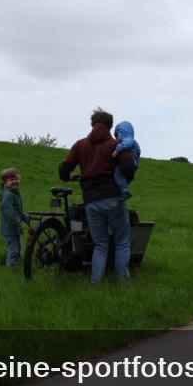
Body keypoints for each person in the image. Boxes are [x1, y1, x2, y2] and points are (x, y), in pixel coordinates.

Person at [59, 109, 137, 284]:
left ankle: (95, 283)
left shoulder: (79, 145)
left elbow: (63, 171)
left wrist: (72, 177)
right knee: (122, 242)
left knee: (100, 245)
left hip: (91, 202)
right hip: (113, 199)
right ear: (110, 126)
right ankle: (122, 282)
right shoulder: (116, 144)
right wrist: (126, 182)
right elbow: (128, 168)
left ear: (92, 124)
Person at [0, 167, 29, 265]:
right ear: (5, 183)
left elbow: (18, 211)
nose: (15, 181)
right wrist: (18, 223)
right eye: (11, 180)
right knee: (13, 251)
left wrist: (28, 218)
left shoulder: (14, 193)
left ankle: (16, 265)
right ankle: (10, 268)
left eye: (16, 179)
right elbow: (9, 212)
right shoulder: (8, 195)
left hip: (13, 227)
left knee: (17, 249)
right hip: (9, 228)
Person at [111, 120, 140, 200]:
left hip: (130, 161)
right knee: (124, 177)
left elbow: (126, 144)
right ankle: (124, 188)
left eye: (117, 136)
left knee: (117, 174)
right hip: (134, 162)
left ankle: (124, 191)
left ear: (120, 133)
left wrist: (117, 150)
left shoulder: (128, 140)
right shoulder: (133, 141)